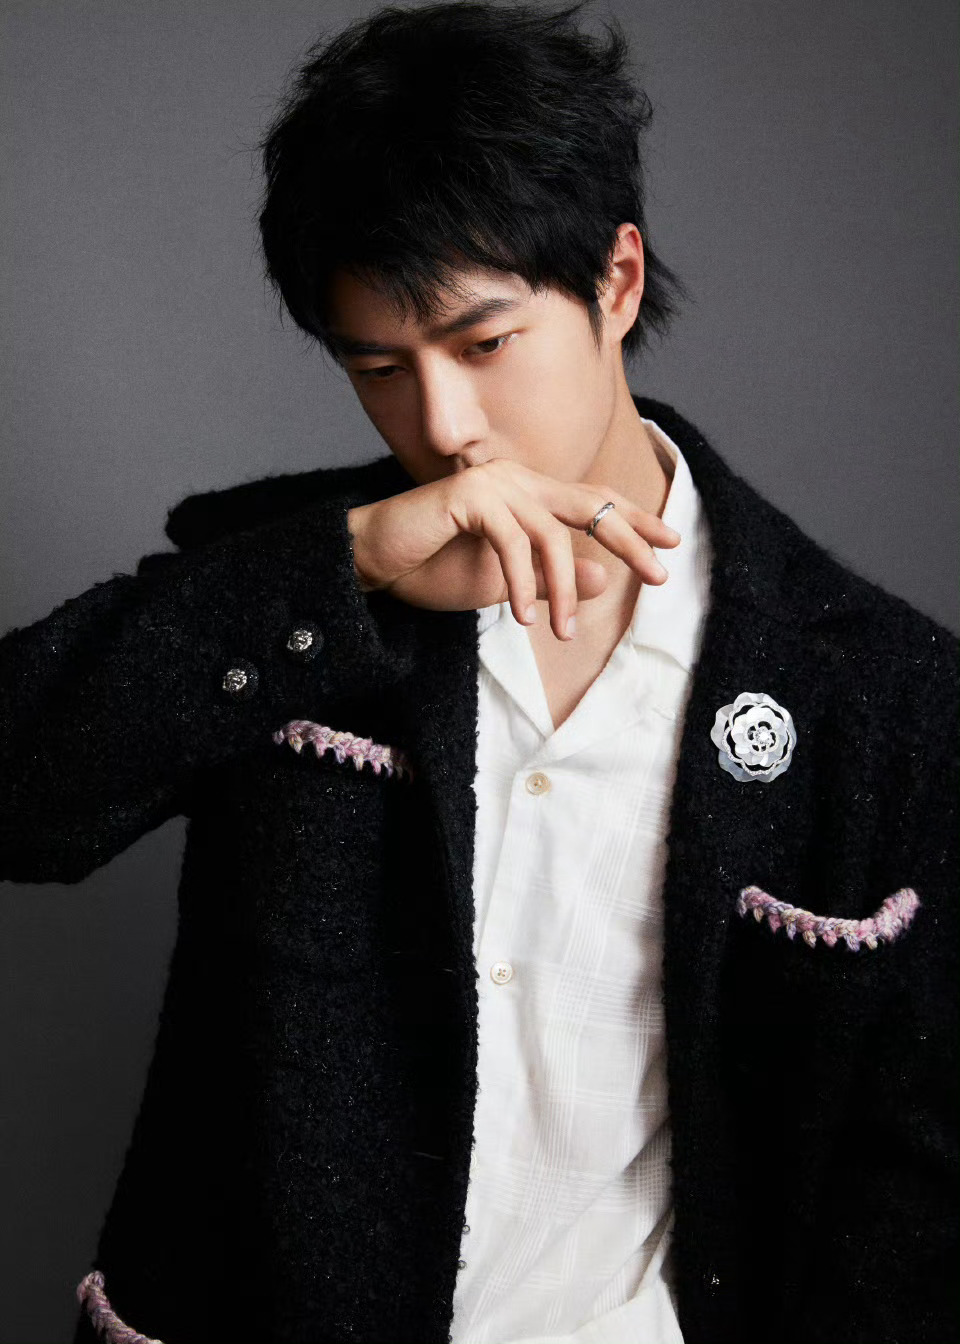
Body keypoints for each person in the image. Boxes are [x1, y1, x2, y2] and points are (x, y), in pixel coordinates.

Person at [1, 2, 955, 1341]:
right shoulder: (289, 587)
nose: (442, 424)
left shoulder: (881, 689)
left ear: (616, 282)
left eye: (483, 344)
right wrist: (347, 574)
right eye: (378, 366)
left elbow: (916, 1173)